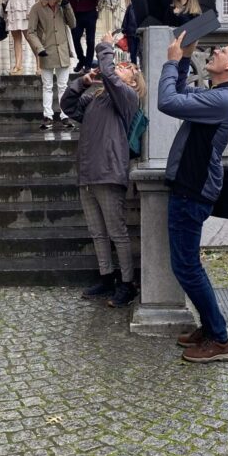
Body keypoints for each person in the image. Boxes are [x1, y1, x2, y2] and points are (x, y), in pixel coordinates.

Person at [160, 35, 228, 363]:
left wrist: (172, 62)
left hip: (193, 189)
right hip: (191, 185)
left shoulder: (225, 99)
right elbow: (183, 93)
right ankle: (209, 327)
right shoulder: (219, 94)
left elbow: (168, 102)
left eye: (224, 50)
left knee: (186, 267)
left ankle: (220, 338)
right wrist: (185, 59)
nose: (215, 50)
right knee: (188, 265)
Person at [60, 34, 146, 307]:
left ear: (133, 82)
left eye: (128, 68)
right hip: (88, 171)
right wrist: (82, 82)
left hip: (109, 170)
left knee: (116, 231)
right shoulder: (98, 98)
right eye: (122, 64)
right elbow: (68, 106)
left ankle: (126, 282)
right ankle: (106, 276)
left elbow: (109, 75)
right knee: (97, 231)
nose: (122, 66)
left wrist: (106, 46)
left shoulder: (127, 97)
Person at [27, 0, 76, 130]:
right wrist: (39, 48)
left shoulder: (63, 6)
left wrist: (67, 6)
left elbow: (73, 24)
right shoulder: (37, 8)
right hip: (46, 51)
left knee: (63, 86)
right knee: (47, 85)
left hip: (62, 52)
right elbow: (31, 32)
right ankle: (47, 116)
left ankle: (64, 115)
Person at [1, 0, 37, 75]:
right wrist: (3, 12)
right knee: (16, 38)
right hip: (12, 10)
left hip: (23, 9)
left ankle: (40, 63)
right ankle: (18, 66)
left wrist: (30, 11)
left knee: (30, 37)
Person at [69, 0, 102, 72]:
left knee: (90, 40)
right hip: (77, 14)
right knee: (75, 38)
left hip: (90, 13)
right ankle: (81, 59)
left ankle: (88, 64)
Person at [120, 0, 140, 65]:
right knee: (132, 52)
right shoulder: (130, 7)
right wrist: (124, 29)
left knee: (140, 51)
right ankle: (133, 66)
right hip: (131, 32)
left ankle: (141, 67)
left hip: (140, 33)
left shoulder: (142, 6)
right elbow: (126, 18)